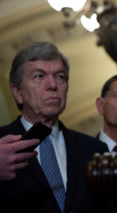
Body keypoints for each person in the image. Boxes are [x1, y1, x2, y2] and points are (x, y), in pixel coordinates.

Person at [0, 41, 108, 213]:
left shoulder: (94, 150)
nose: (52, 85)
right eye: (39, 76)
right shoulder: (1, 144)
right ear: (17, 92)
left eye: (60, 76)